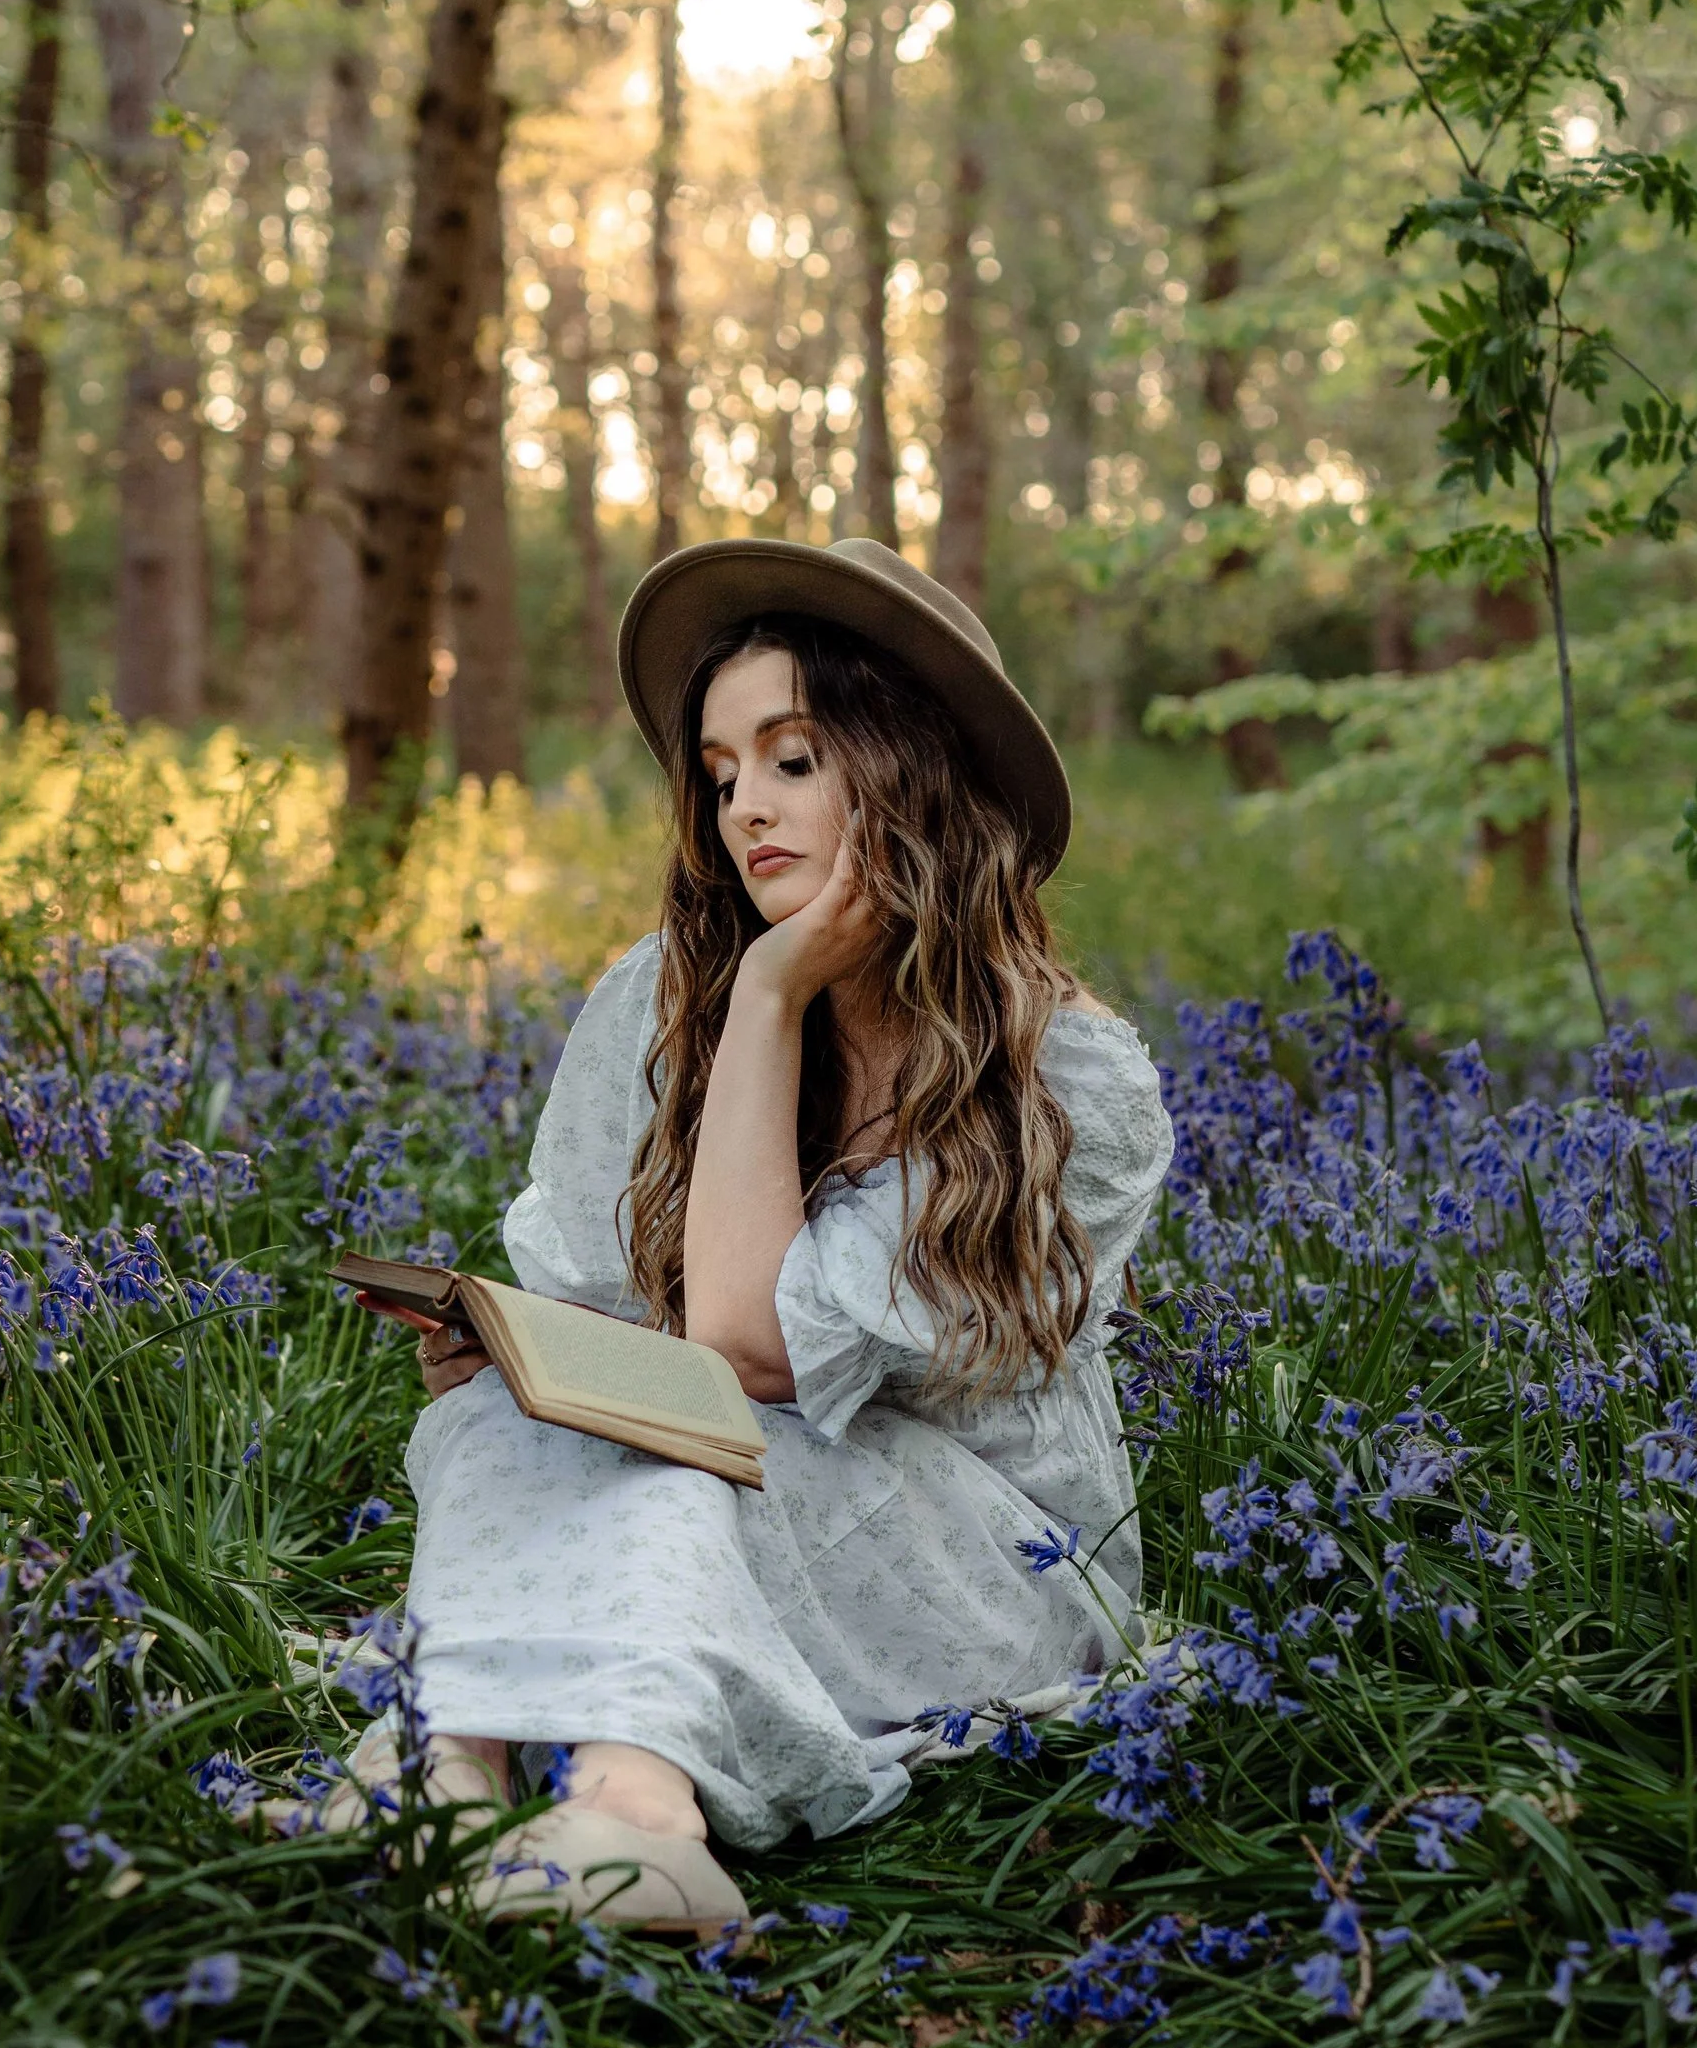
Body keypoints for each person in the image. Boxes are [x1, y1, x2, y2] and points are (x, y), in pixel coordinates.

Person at [335, 534, 1174, 1931]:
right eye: (722, 775)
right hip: (744, 1477)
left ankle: (638, 1814)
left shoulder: (1074, 1084)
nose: (743, 812)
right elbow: (608, 1307)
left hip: (992, 1559)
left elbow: (751, 1350)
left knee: (700, 1454)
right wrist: (512, 1359)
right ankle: (447, 1766)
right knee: (491, 1430)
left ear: (910, 769)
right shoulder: (663, 996)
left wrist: (776, 1002)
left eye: (792, 759)